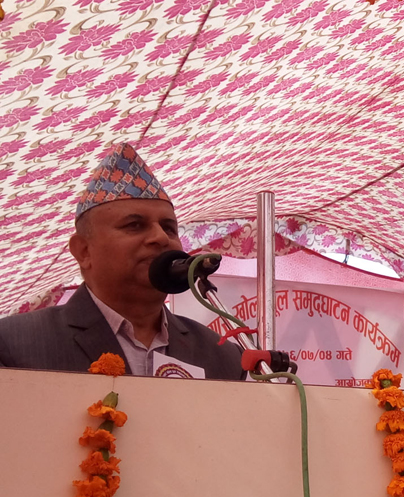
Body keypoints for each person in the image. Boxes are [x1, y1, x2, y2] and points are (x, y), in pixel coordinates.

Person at [0, 143, 243, 379]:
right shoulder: (14, 344)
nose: (160, 237)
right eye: (135, 225)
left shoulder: (224, 357)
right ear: (83, 251)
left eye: (169, 228)